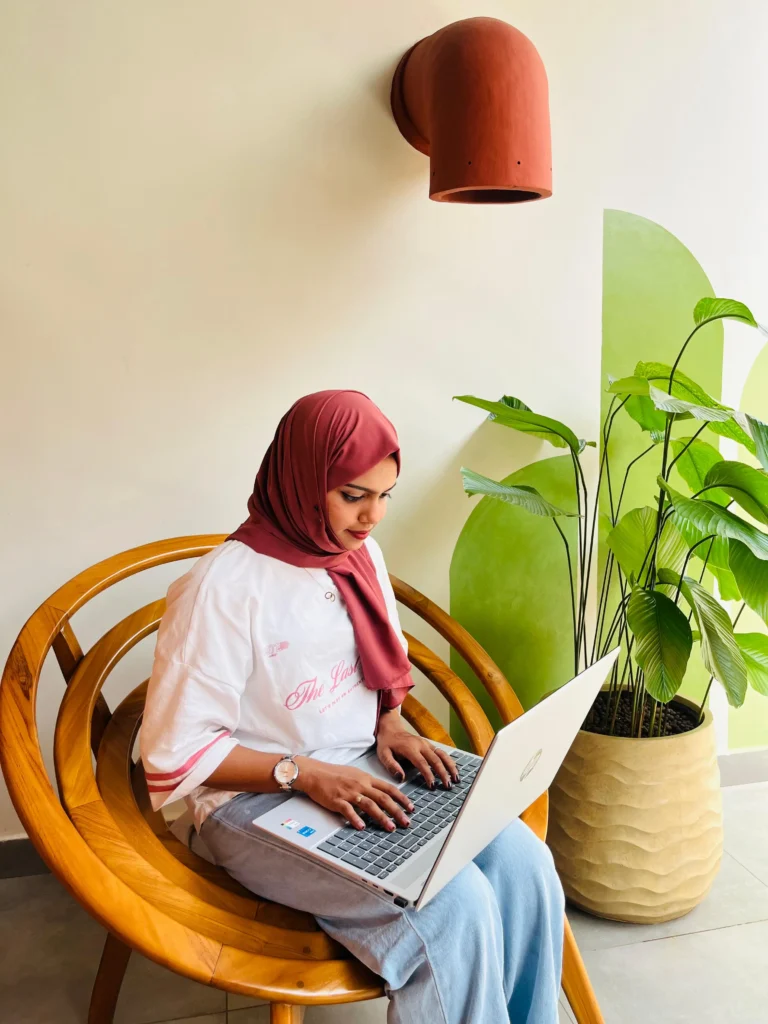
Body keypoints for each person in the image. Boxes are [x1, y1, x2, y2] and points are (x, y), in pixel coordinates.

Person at [141, 389, 565, 1024]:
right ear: (304, 480)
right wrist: (303, 772)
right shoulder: (222, 590)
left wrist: (389, 724)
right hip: (253, 803)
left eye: (385, 494)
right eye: (353, 495)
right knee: (454, 909)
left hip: (364, 766)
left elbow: (368, 671)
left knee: (526, 864)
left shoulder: (357, 554)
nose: (373, 517)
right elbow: (178, 755)